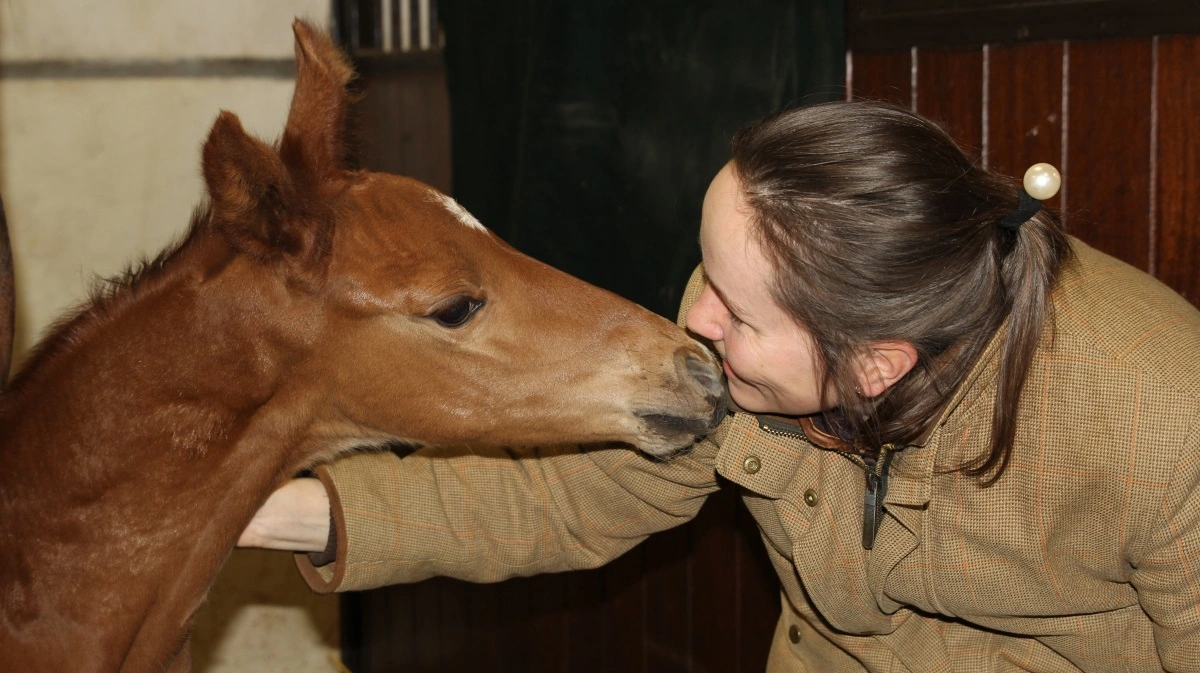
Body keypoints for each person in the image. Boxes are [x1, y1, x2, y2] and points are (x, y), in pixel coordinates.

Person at [240, 100, 1200, 672]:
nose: (696, 321)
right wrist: (259, 507)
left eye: (737, 315)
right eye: (706, 276)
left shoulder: (1160, 411)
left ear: (874, 366)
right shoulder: (750, 349)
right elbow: (557, 496)